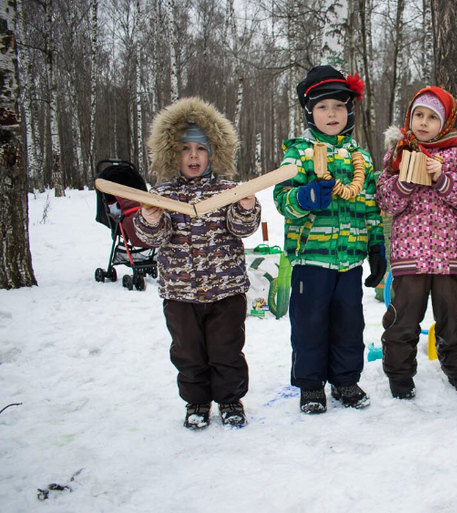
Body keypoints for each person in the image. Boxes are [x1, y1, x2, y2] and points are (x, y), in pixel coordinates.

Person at [133, 97, 260, 430]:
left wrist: (246, 207)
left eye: (200, 149)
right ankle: (197, 402)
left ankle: (230, 400)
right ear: (171, 153)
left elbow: (242, 229)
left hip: (226, 290)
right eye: (185, 149)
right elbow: (153, 237)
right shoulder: (161, 193)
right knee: (188, 353)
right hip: (180, 294)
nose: (193, 156)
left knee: (227, 350)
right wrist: (150, 218)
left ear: (213, 153)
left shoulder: (229, 190)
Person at [273, 65, 385, 414]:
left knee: (349, 324)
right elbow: (281, 199)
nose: (332, 113)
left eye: (339, 106)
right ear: (310, 113)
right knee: (309, 325)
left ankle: (345, 380)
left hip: (350, 260)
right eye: (323, 107)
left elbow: (370, 206)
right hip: (311, 259)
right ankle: (310, 386)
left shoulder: (361, 158)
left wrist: (376, 245)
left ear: (349, 111)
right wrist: (304, 197)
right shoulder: (299, 153)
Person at [376, 87, 457, 400]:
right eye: (418, 115)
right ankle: (400, 375)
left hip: (451, 254)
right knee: (403, 319)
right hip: (410, 254)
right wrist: (404, 181)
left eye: (432, 117)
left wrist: (441, 177)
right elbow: (385, 200)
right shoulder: (398, 152)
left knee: (454, 319)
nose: (423, 122)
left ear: (444, 123)